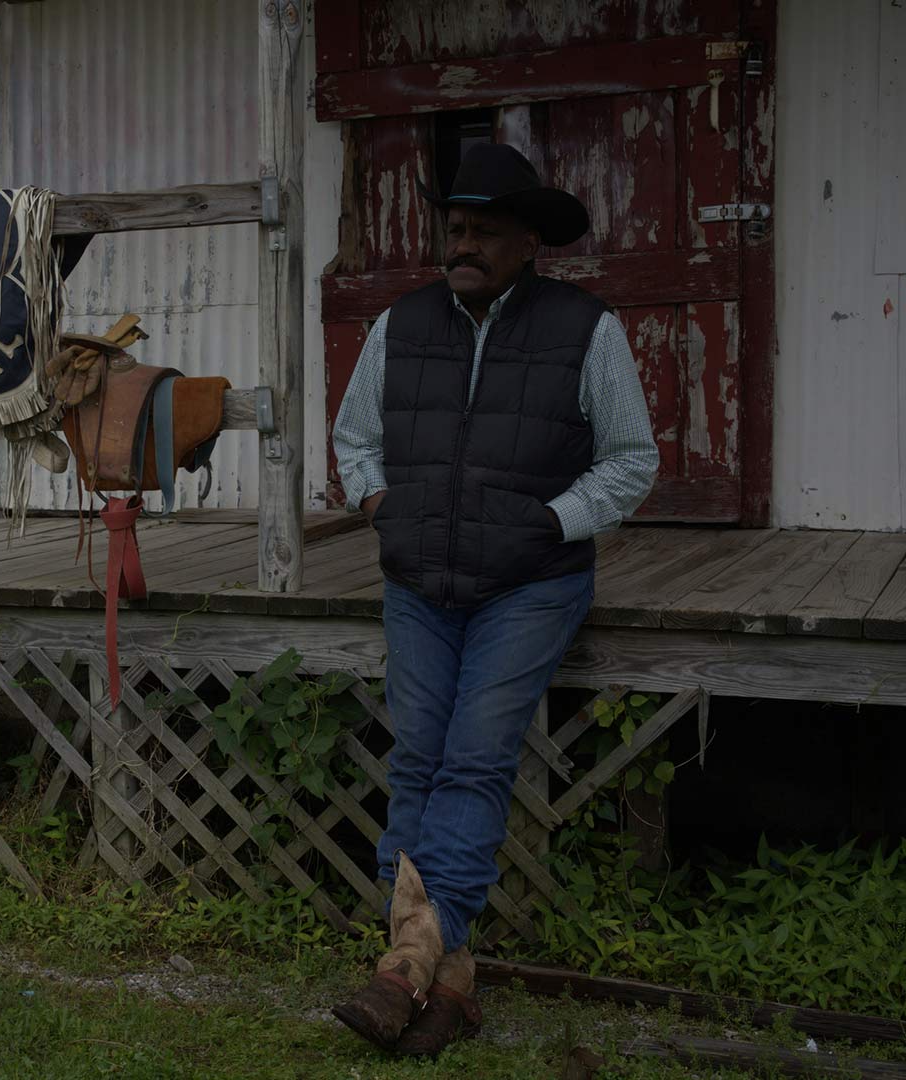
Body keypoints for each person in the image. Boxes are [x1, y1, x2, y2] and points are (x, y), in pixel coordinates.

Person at [329, 142, 659, 1057]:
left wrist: (551, 523)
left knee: (473, 761)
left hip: (530, 584)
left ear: (528, 242)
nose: (462, 243)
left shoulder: (585, 329)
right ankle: (449, 985)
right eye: (454, 227)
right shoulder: (400, 325)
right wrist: (378, 503)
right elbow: (355, 437)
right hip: (421, 580)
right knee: (417, 765)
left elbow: (632, 461)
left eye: (484, 230)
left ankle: (404, 967)